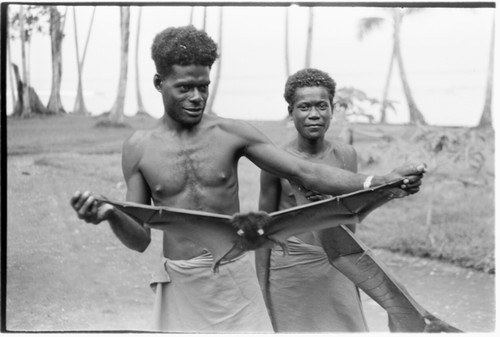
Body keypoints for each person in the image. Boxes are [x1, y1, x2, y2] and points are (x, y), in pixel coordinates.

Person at [70, 26, 424, 333]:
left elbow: (305, 170)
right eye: (184, 88)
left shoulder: (232, 133)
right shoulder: (138, 148)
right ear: (159, 83)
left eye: (203, 86)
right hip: (181, 278)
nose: (196, 97)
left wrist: (380, 181)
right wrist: (111, 215)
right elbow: (140, 240)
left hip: (235, 274)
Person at [255, 68, 422, 332]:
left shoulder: (346, 154)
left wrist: (394, 189)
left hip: (336, 264)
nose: (314, 115)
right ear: (291, 112)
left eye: (322, 106)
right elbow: (264, 229)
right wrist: (261, 286)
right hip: (290, 269)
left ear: (332, 109)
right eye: (304, 107)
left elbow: (351, 217)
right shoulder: (276, 160)